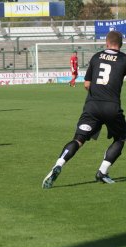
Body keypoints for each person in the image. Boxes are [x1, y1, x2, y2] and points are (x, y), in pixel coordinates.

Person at [42, 31, 126, 189]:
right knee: (121, 138)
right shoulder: (123, 59)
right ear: (120, 45)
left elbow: (86, 84)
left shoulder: (96, 57)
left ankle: (58, 164)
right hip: (111, 107)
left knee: (78, 139)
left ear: (106, 43)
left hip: (92, 106)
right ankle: (102, 172)